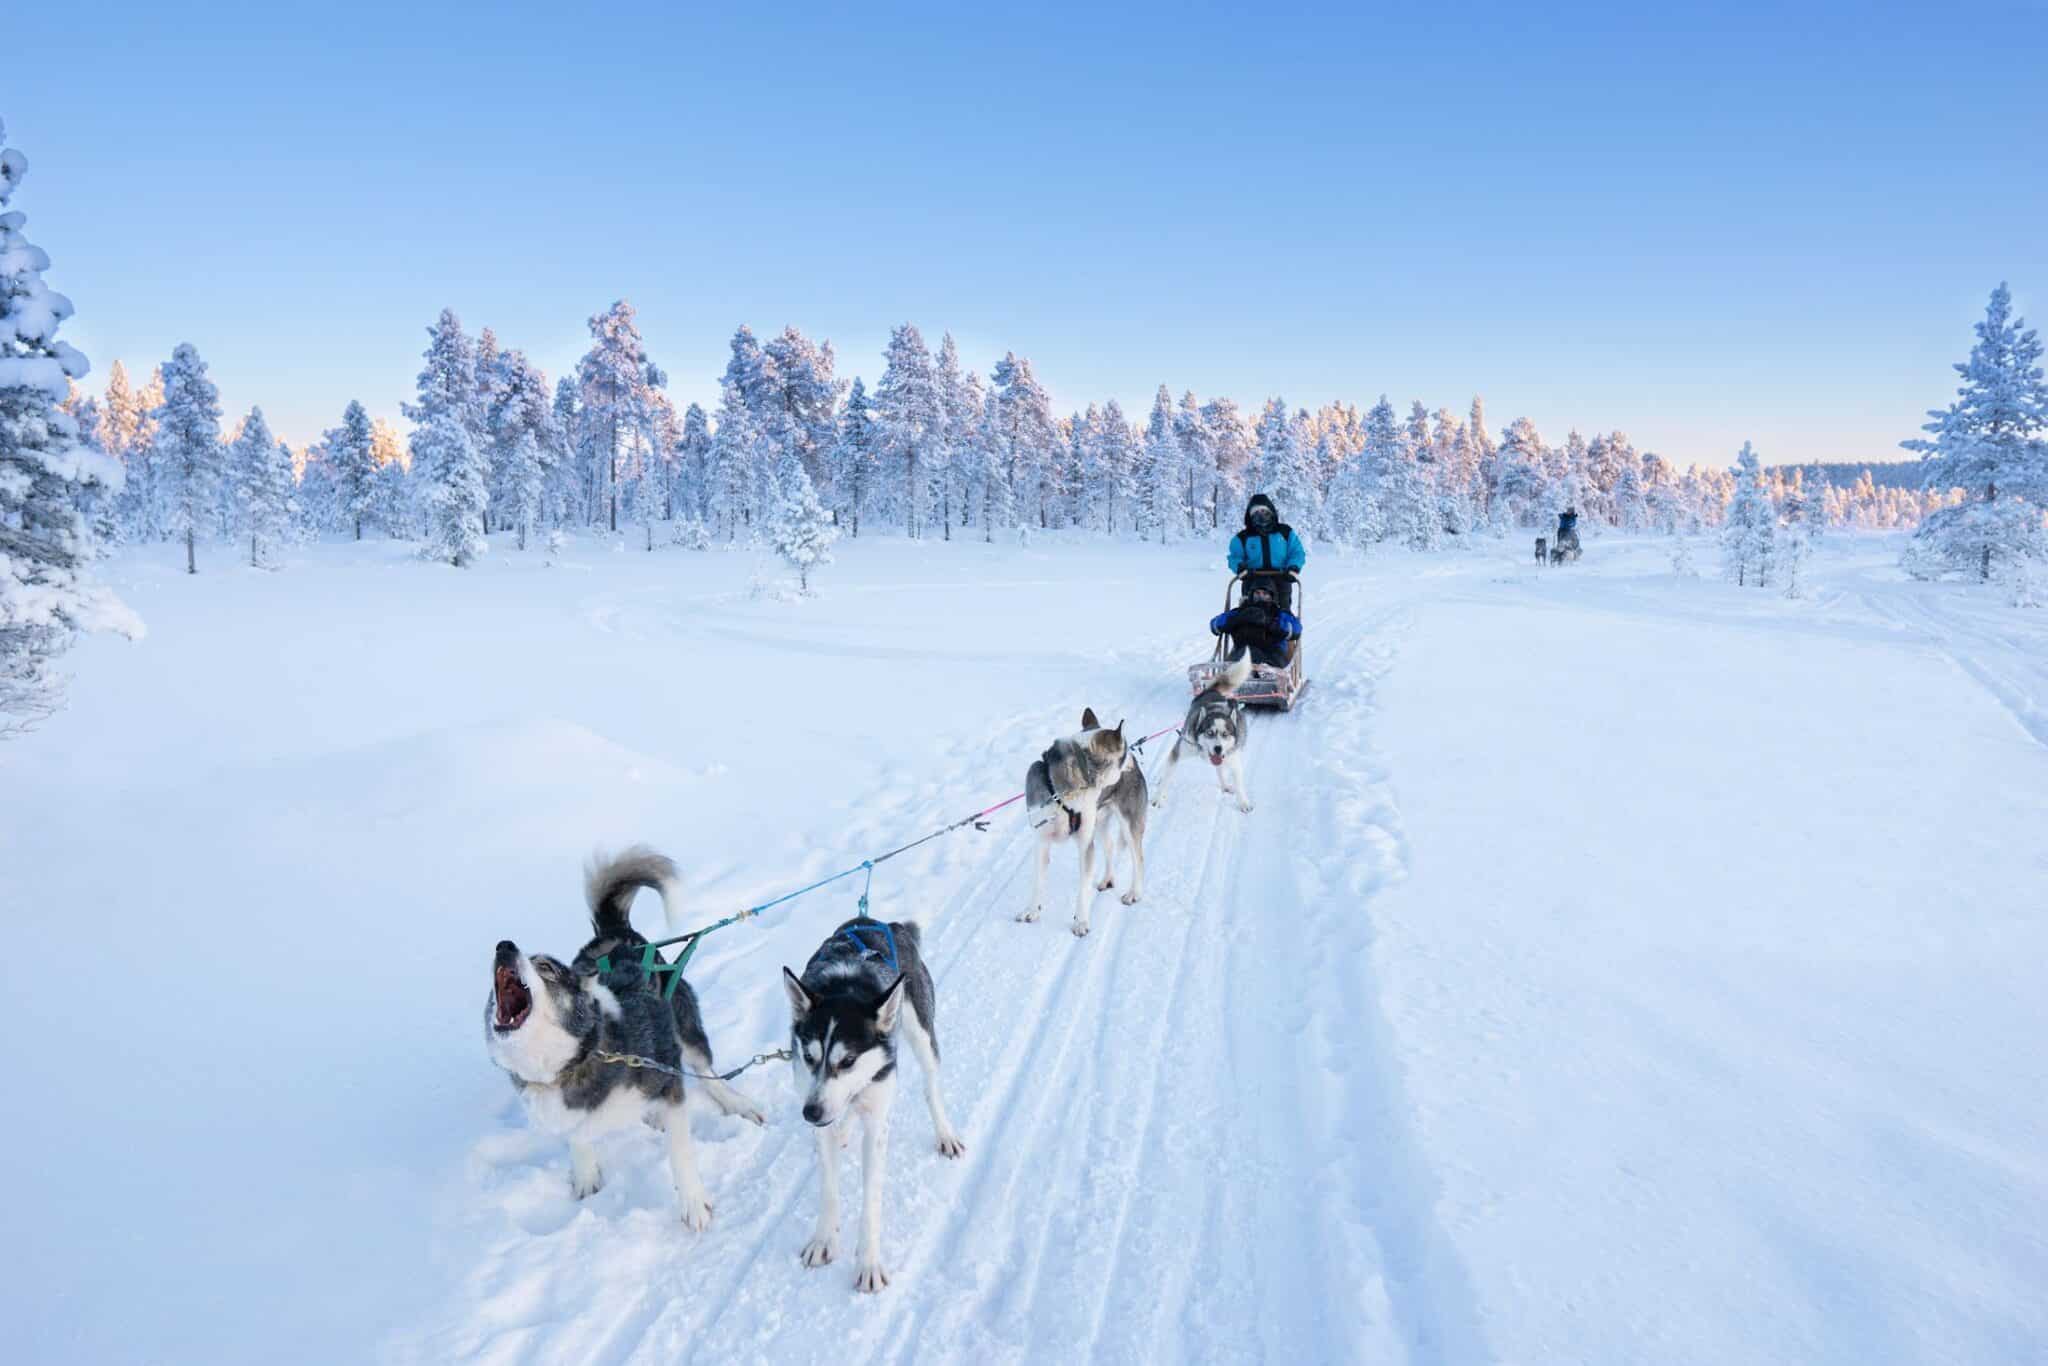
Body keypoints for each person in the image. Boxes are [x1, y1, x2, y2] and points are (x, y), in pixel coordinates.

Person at [1210, 578, 1300, 668]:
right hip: (1242, 653)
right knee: (1245, 654)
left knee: (1254, 655)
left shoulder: (1278, 613)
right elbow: (1214, 625)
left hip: (1273, 655)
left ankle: (1261, 674)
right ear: (1251, 594)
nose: (1260, 596)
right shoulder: (1240, 611)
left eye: (1265, 594)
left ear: (1271, 596)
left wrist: (1272, 623)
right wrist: (1236, 620)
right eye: (1257, 593)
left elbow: (1296, 629)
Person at [1227, 494, 1307, 592]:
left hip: (1281, 578)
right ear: (1250, 516)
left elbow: (1296, 552)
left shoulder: (1285, 532)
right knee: (1250, 606)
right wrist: (1240, 567)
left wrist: (1293, 566)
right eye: (1256, 512)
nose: (1260, 515)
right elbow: (1235, 557)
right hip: (1252, 579)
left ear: (1271, 512)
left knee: (1282, 607)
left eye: (1263, 511)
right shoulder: (1243, 538)